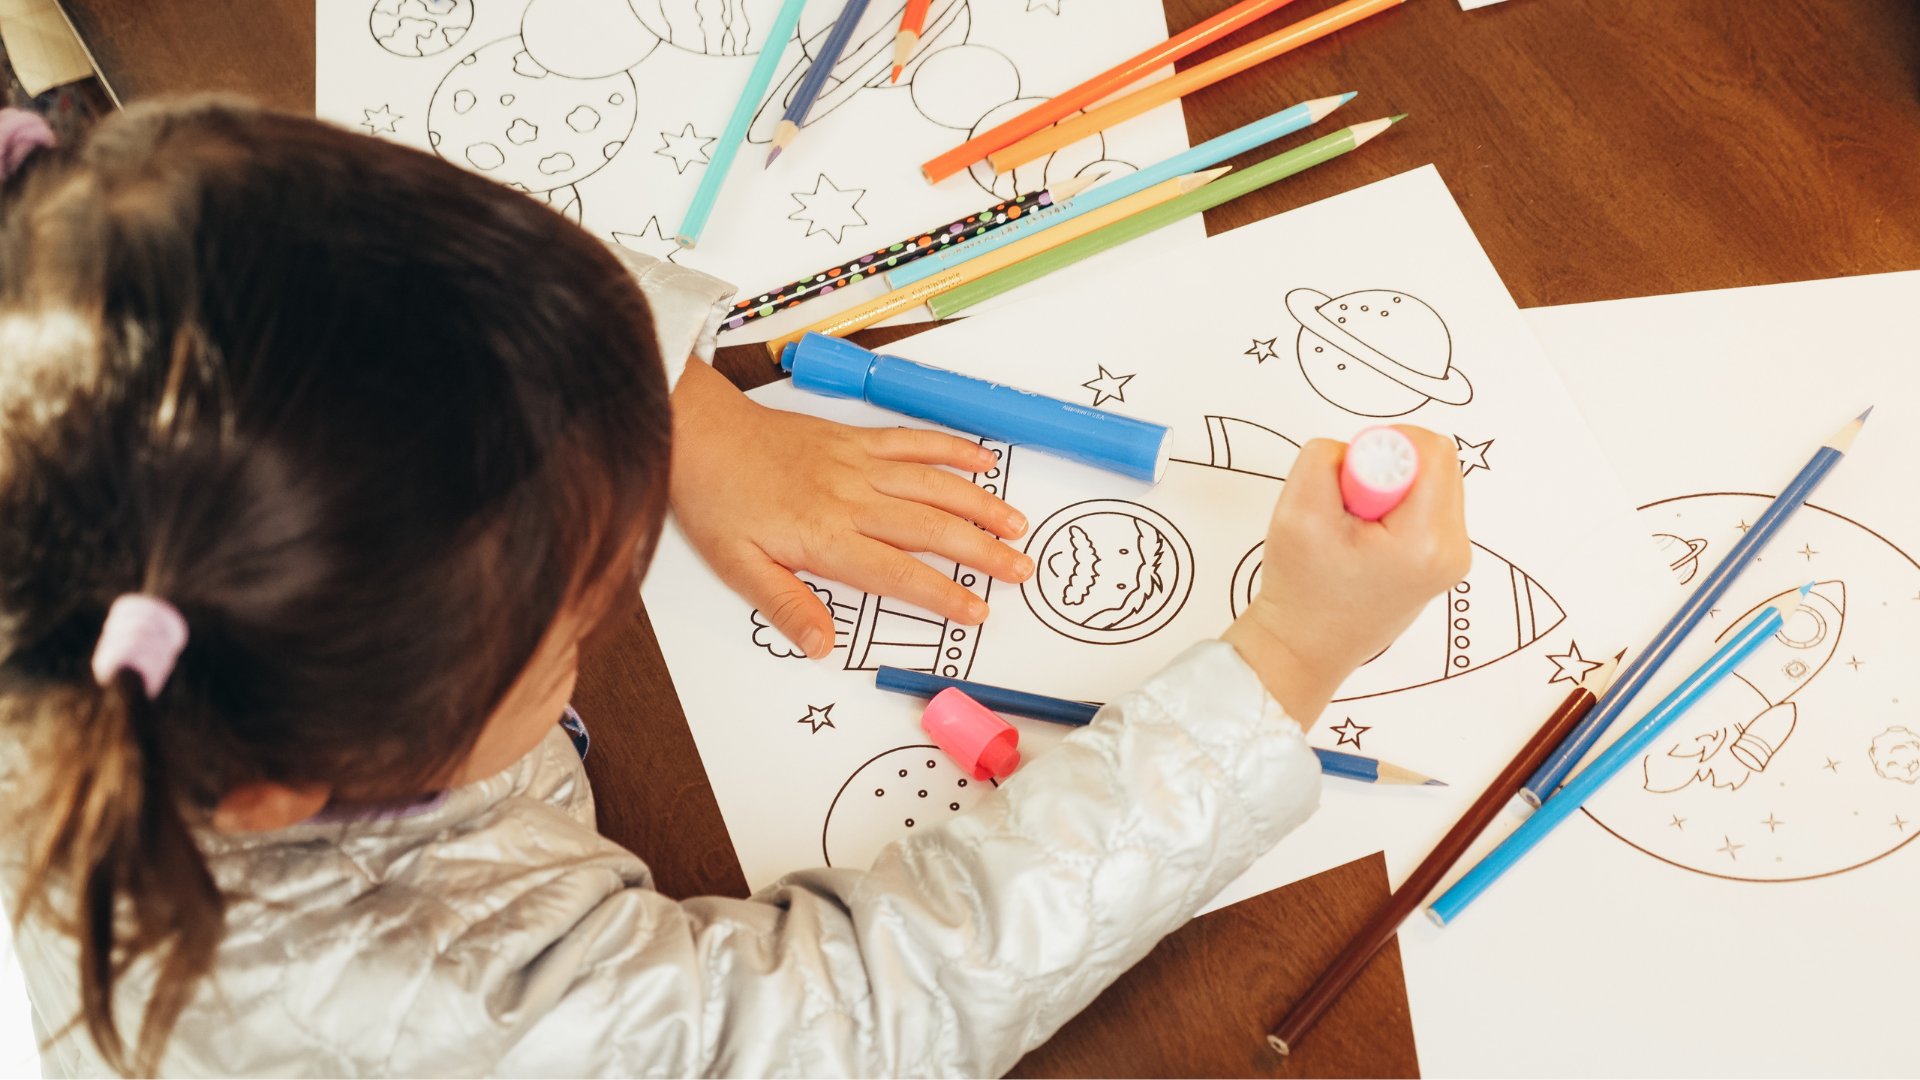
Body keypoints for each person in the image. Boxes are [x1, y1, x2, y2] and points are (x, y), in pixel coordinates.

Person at [0, 99, 1470, 1077]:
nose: (618, 592)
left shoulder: (67, 296)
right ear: (295, 779)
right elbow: (867, 1016)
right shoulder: (444, 1006)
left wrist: (682, 412)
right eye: (576, 611)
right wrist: (1278, 665)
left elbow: (379, 287)